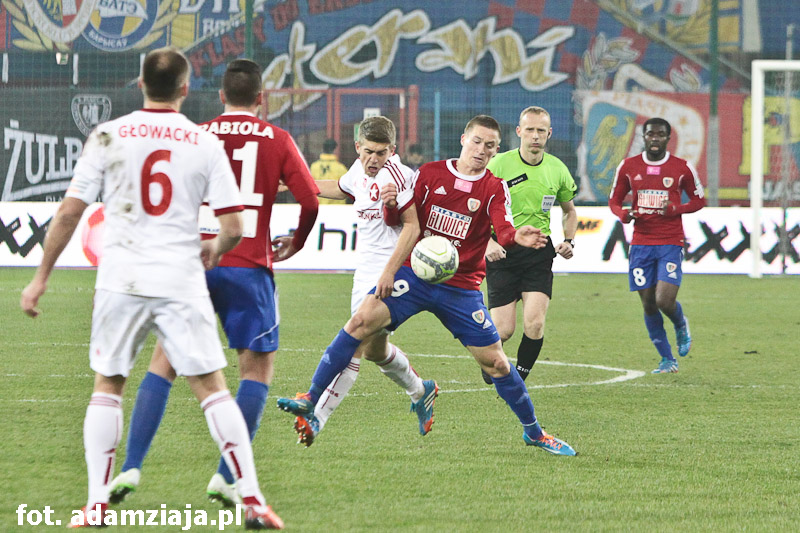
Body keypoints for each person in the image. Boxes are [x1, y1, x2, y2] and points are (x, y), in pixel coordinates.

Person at [20, 48, 283, 529]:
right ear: (185, 88)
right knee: (212, 388)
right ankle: (251, 497)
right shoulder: (203, 142)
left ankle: (96, 504)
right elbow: (234, 226)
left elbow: (71, 212)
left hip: (121, 277)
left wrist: (41, 277)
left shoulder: (108, 135)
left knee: (109, 384)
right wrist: (214, 249)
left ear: (140, 85)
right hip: (180, 277)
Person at [277, 115, 577, 456]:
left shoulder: (494, 187)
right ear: (463, 139)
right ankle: (311, 398)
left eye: (490, 146)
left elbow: (503, 227)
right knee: (359, 324)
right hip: (415, 276)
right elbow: (404, 220)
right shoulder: (431, 174)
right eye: (477, 141)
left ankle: (534, 432)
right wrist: (391, 206)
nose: (482, 150)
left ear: (496, 150)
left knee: (496, 363)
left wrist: (515, 236)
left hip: (460, 288)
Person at [106, 59, 320, 507]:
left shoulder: (196, 135)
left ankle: (131, 464)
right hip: (249, 266)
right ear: (261, 99)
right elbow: (310, 201)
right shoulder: (278, 139)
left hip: (195, 263)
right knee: (255, 371)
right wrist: (296, 243)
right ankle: (226, 476)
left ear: (221, 96)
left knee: (164, 360)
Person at [303, 116, 434, 447]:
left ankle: (317, 416)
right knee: (376, 349)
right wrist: (300, 183)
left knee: (356, 341)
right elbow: (342, 187)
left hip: (392, 270)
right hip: (364, 269)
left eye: (381, 153)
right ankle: (421, 390)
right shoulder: (358, 170)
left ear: (393, 150)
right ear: (357, 147)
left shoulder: (400, 177)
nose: (374, 160)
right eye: (368, 152)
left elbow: (413, 226)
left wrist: (390, 271)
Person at [481, 106, 577, 384]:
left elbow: (570, 211)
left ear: (549, 133)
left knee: (534, 324)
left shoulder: (557, 169)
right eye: (530, 130)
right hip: (502, 252)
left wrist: (568, 240)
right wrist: (487, 242)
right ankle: (489, 360)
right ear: (519, 132)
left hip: (538, 251)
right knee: (503, 330)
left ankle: (518, 379)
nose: (535, 136)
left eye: (541, 130)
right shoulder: (498, 165)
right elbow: (474, 207)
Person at [608, 117, 705, 374]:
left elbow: (699, 200)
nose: (655, 138)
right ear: (644, 136)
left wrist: (676, 209)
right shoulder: (629, 166)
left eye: (660, 134)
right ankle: (667, 359)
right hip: (641, 243)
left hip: (670, 242)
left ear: (668, 138)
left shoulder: (681, 167)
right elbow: (614, 201)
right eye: (651, 134)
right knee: (649, 304)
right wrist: (623, 214)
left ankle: (680, 323)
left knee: (664, 300)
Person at [309, 138, 348, 204]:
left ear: (323, 149)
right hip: (336, 207)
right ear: (335, 150)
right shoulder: (341, 168)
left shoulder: (314, 167)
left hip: (318, 206)